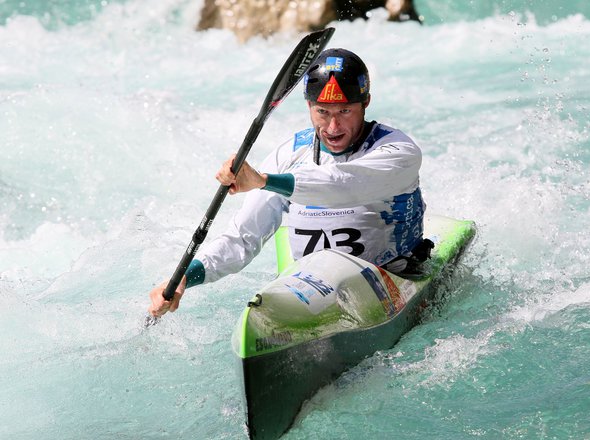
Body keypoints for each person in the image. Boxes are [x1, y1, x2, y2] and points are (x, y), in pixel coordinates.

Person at [148, 48, 429, 317]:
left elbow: (342, 185)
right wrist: (185, 277)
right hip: (313, 288)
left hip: (391, 275)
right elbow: (243, 239)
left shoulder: (397, 150)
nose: (332, 128)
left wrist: (263, 180)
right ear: (308, 106)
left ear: (365, 103)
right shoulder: (290, 154)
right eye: (322, 112)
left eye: (344, 112)